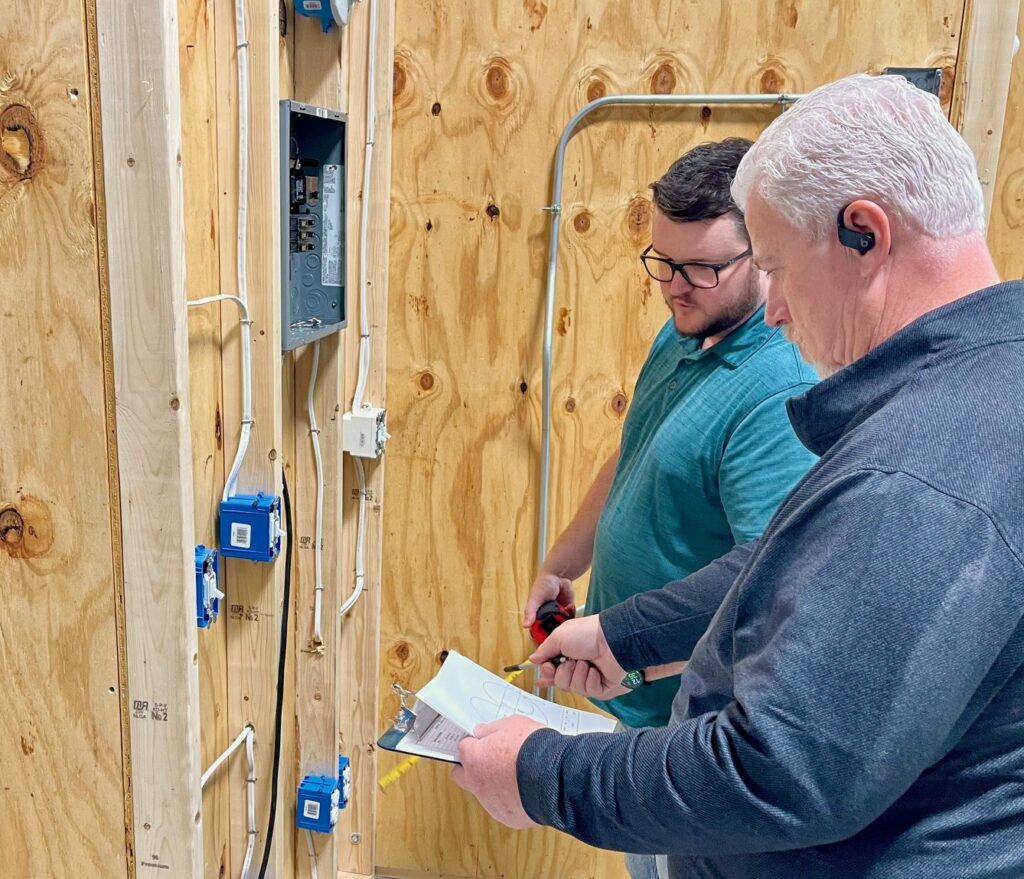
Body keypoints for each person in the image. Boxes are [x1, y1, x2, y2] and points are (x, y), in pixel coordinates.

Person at [455, 72, 1024, 879]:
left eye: (781, 269)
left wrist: (539, 773)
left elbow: (775, 770)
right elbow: (799, 571)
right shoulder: (977, 387)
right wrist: (630, 633)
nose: (778, 309)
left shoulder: (922, 473)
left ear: (865, 232)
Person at [524, 139, 818, 879]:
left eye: (702, 269)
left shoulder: (774, 389)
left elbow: (770, 591)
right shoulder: (686, 330)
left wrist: (639, 663)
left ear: (766, 254)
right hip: (636, 705)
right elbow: (635, 450)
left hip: (687, 742)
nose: (676, 288)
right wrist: (563, 564)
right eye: (664, 263)